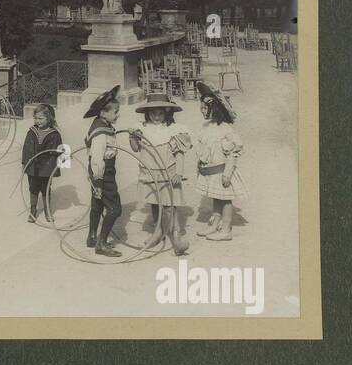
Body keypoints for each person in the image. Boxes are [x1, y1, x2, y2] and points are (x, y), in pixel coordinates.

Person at [133, 91, 191, 252]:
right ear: (147, 113)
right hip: (149, 173)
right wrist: (133, 138)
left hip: (168, 174)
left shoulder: (174, 130)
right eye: (152, 113)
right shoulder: (142, 129)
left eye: (160, 113)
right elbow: (135, 148)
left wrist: (178, 173)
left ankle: (176, 234)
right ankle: (158, 232)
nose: (156, 117)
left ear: (167, 113)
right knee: (155, 203)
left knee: (169, 206)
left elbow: (180, 153)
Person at [194, 79, 248, 241]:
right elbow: (204, 149)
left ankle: (226, 229)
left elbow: (233, 153)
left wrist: (228, 173)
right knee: (215, 196)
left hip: (222, 170)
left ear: (215, 109)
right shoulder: (207, 128)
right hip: (211, 170)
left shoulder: (225, 130)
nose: (202, 111)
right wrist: (200, 165)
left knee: (225, 200)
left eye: (205, 108)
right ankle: (214, 223)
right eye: (201, 108)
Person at [84, 86, 123, 256]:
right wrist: (99, 182)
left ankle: (92, 236)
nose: (118, 114)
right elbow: (97, 158)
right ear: (103, 113)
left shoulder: (101, 125)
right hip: (102, 172)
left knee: (98, 204)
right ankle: (101, 243)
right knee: (115, 209)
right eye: (115, 112)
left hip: (98, 172)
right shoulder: (100, 133)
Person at [22, 103, 63, 223]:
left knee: (45, 188)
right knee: (33, 188)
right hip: (33, 166)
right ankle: (33, 210)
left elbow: (60, 149)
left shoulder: (54, 134)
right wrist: (25, 163)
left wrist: (63, 156)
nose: (37, 121)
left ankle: (47, 210)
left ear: (49, 118)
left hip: (46, 167)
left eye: (40, 118)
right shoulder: (32, 131)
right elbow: (26, 148)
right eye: (35, 118)